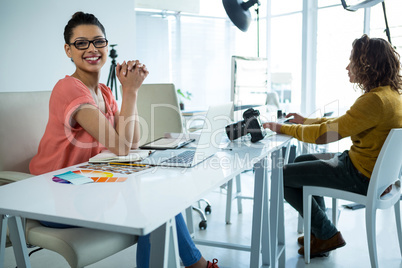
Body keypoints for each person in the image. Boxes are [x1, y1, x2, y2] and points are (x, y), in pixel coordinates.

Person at [29, 12, 219, 268]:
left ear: (106, 45)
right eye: (81, 43)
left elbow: (132, 143)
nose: (92, 49)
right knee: (155, 202)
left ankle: (198, 265)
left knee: (158, 198)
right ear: (68, 50)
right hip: (56, 197)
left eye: (98, 41)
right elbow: (120, 147)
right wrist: (129, 90)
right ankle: (199, 265)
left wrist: (131, 91)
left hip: (89, 187)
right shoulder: (69, 88)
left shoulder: (105, 93)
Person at [263, 34, 402, 258]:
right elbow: (339, 123)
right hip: (363, 168)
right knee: (299, 162)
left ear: (368, 64)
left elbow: (325, 135)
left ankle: (326, 234)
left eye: (352, 60)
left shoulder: (374, 101)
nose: (348, 67)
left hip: (358, 175)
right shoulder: (390, 96)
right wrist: (305, 121)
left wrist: (283, 128)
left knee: (281, 175)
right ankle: (321, 233)